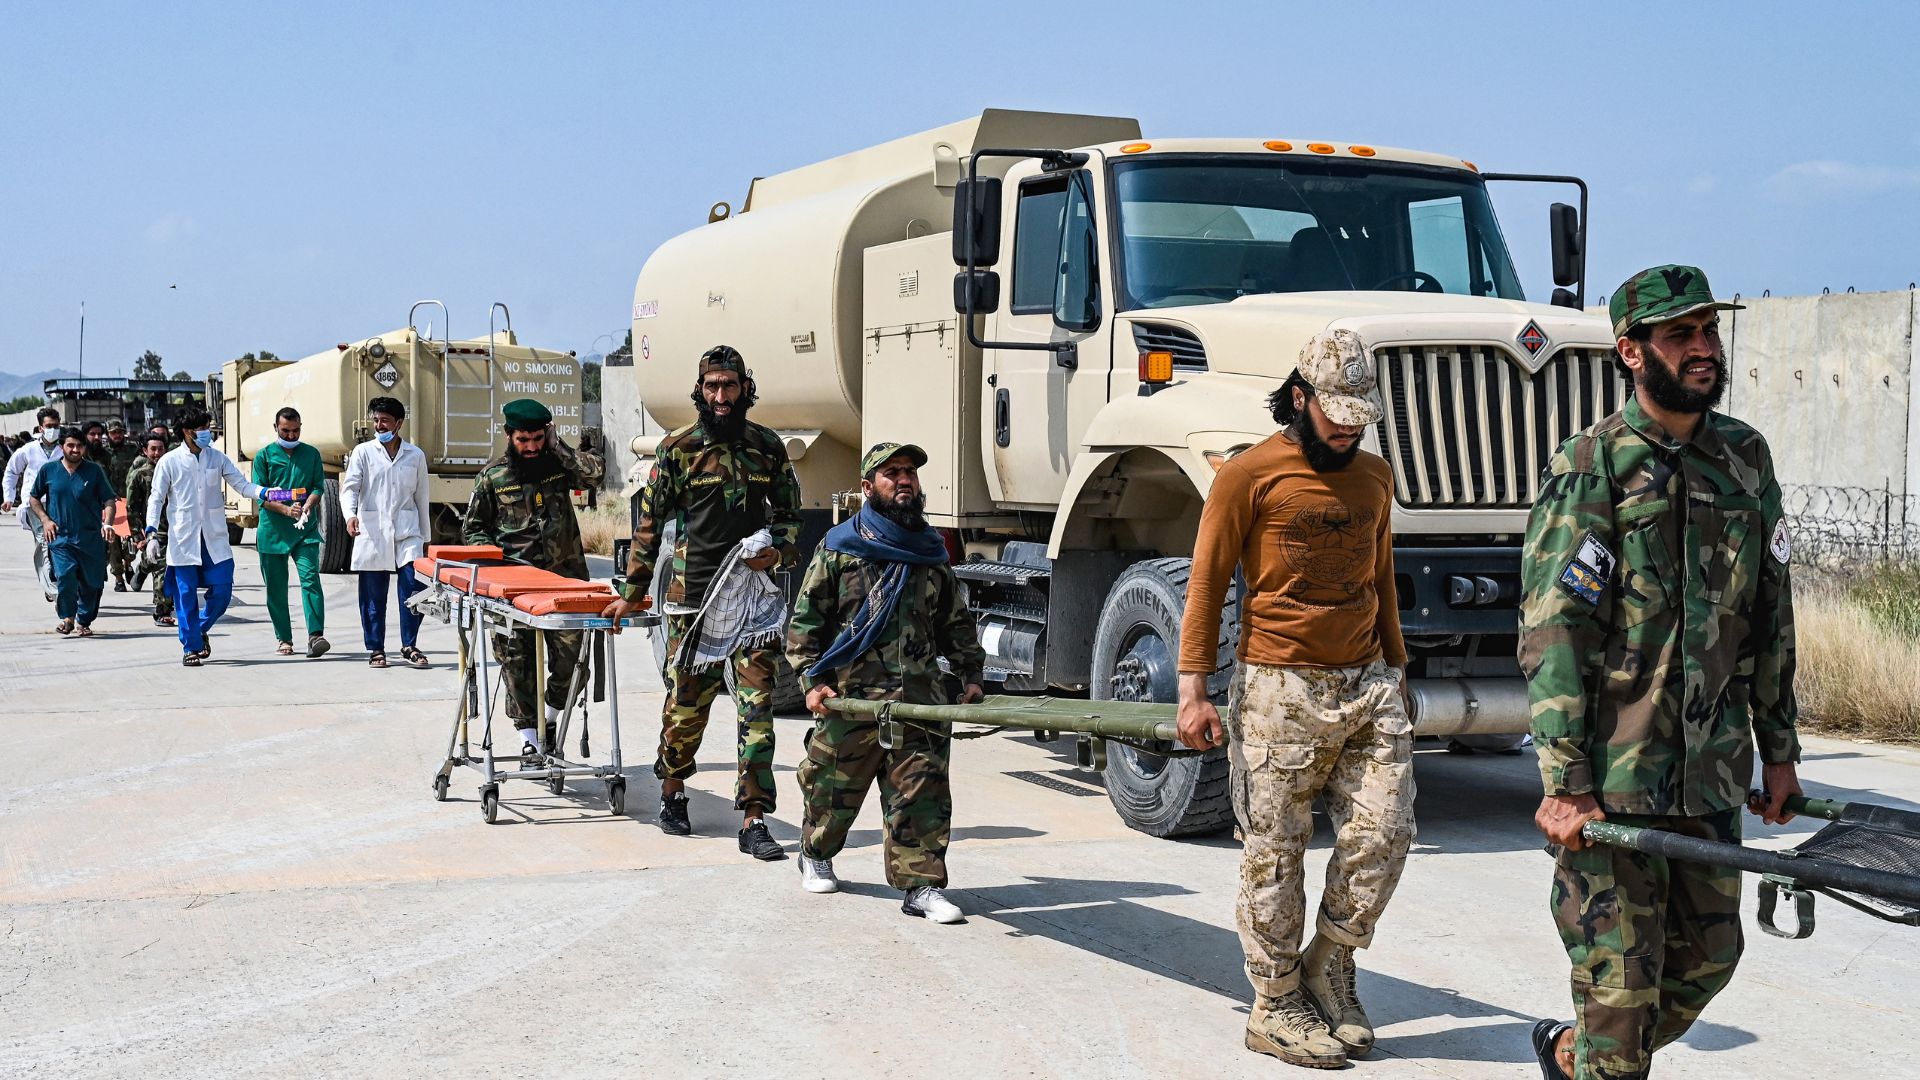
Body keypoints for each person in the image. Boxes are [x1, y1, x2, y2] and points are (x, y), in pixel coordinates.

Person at [1519, 265, 1802, 1080]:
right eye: (1682, 335)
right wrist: (1566, 779)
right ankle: (1595, 1056)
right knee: (1621, 993)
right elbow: (1555, 631)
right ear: (1632, 353)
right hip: (1613, 779)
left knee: (1709, 961)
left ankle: (1569, 1056)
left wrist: (1778, 750)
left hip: (1710, 775)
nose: (1704, 348)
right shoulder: (1591, 466)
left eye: (1709, 331)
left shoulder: (1745, 459)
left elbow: (1770, 615)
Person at [1176, 330, 1415, 1069]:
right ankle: (1274, 1002)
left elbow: (1380, 580)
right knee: (1274, 856)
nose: (1348, 428)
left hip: (1368, 679)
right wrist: (1194, 691)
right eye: (1336, 412)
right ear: (1301, 397)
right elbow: (1209, 582)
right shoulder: (1248, 474)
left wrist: (1398, 670)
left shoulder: (1374, 477)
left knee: (1386, 832)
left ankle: (1332, 961)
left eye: (1360, 416)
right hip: (1278, 686)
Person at [600, 345, 802, 857]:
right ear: (700, 390)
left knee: (757, 709)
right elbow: (649, 526)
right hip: (691, 599)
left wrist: (777, 552)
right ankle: (672, 790)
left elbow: (791, 516)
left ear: (744, 389)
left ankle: (754, 820)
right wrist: (632, 592)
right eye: (712, 386)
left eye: (729, 386)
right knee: (687, 707)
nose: (720, 396)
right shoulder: (677, 449)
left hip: (752, 599)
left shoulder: (767, 447)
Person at [786, 442, 984, 923]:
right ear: (867, 486)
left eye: (910, 472)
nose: (903, 480)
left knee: (922, 794)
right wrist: (813, 682)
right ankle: (815, 854)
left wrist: (970, 674)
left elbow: (954, 621)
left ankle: (922, 886)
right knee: (832, 791)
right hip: (852, 700)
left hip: (920, 700)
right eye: (891, 472)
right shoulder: (839, 546)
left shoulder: (931, 552)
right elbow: (806, 622)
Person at [463, 398, 603, 760]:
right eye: (523, 440)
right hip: (514, 590)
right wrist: (494, 564)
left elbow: (596, 474)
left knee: (573, 657)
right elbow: (473, 530)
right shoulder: (492, 477)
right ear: (509, 436)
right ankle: (530, 737)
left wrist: (560, 449)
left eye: (538, 438)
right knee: (516, 660)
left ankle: (552, 720)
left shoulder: (559, 464)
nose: (531, 447)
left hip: (566, 583)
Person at [146, 407, 288, 666]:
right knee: (185, 594)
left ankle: (200, 628)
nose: (207, 434)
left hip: (213, 538)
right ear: (188, 432)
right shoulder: (169, 461)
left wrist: (269, 493)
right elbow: (156, 498)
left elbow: (242, 485)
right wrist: (151, 532)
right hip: (183, 538)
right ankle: (190, 647)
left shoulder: (217, 458)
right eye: (203, 429)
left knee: (222, 592)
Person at [341, 397, 432, 668]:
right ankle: (376, 648)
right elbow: (350, 489)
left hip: (408, 531)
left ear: (399, 423)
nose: (379, 426)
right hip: (372, 529)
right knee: (372, 594)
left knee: (414, 588)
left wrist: (425, 540)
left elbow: (422, 497)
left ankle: (409, 644)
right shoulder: (363, 452)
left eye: (385, 421)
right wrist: (350, 515)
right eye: (376, 420)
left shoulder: (415, 455)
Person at [253, 407, 329, 658]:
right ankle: (284, 638)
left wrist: (308, 505)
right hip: (273, 532)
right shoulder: (263, 456)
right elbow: (261, 497)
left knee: (311, 581)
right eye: (285, 431)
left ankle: (315, 635)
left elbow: (318, 486)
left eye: (295, 430)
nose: (290, 435)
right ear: (275, 428)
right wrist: (287, 511)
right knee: (276, 588)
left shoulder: (311, 454)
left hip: (304, 530)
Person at [27, 427, 118, 636]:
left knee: (92, 584)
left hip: (90, 538)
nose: (75, 449)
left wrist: (108, 523)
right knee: (66, 576)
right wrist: (45, 520)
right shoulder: (49, 470)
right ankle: (67, 618)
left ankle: (84, 620)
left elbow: (109, 499)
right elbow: (34, 498)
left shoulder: (94, 471)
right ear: (62, 447)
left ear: (84, 448)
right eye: (70, 445)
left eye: (79, 446)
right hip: (60, 538)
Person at [3, 406, 65, 602]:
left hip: (60, 504)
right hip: (35, 505)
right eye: (49, 426)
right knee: (45, 544)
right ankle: (56, 592)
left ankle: (52, 583)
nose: (53, 430)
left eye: (56, 426)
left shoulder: (65, 449)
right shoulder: (28, 450)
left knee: (58, 546)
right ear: (40, 428)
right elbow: (12, 472)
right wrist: (9, 497)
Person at [124, 433, 174, 626]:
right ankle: (162, 611)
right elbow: (132, 508)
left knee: (168, 566)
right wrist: (138, 535)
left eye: (160, 448)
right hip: (153, 530)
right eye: (152, 449)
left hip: (177, 529)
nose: (156, 453)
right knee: (163, 567)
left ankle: (144, 567)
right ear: (145, 451)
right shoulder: (139, 475)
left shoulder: (175, 471)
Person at [102, 419, 141, 592]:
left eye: (119, 432)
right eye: (113, 432)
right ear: (108, 434)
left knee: (131, 540)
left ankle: (128, 565)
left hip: (130, 501)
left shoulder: (133, 451)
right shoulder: (102, 454)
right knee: (113, 542)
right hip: (110, 503)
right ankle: (118, 577)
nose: (117, 435)